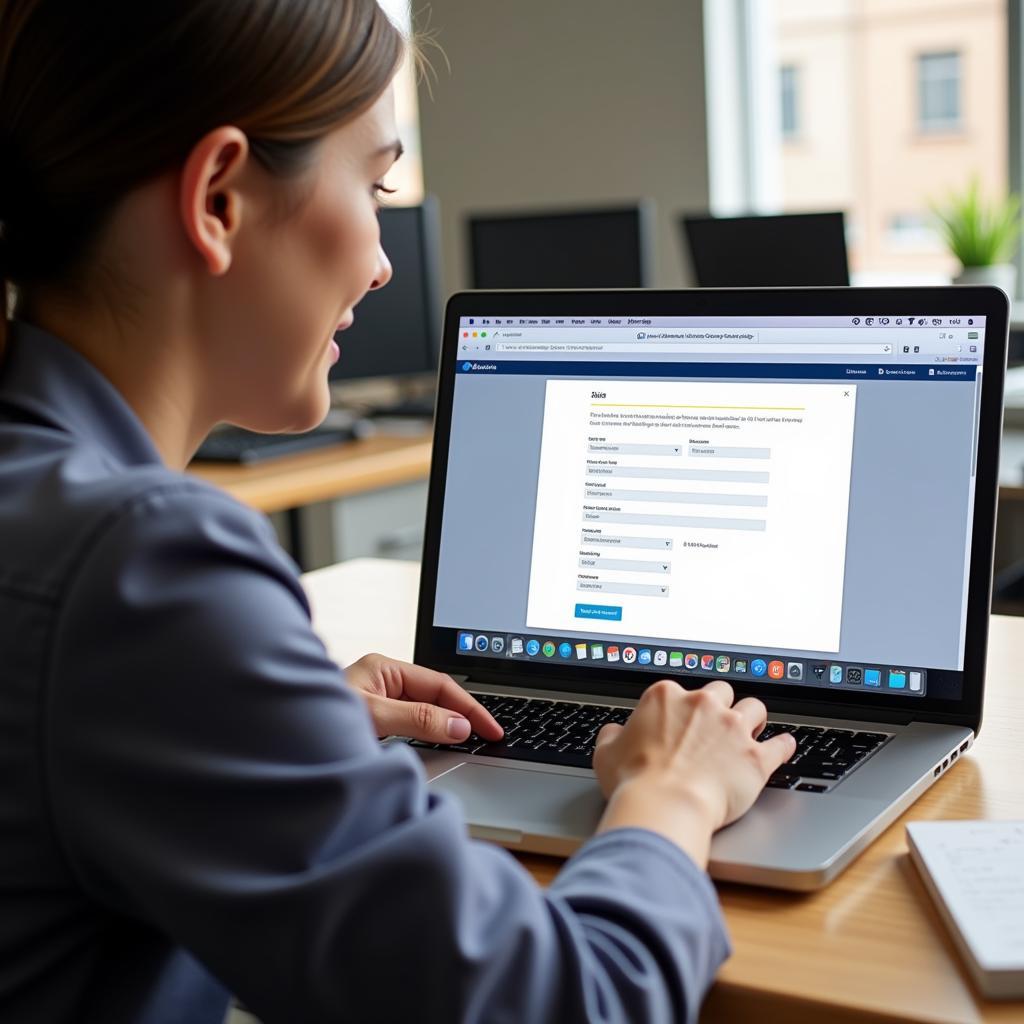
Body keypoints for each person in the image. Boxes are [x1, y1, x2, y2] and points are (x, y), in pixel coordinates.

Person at [0, 2, 796, 1021]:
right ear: (218, 200)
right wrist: (675, 792)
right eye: (375, 185)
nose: (382, 260)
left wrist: (277, 728)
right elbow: (564, 1004)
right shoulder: (143, 567)